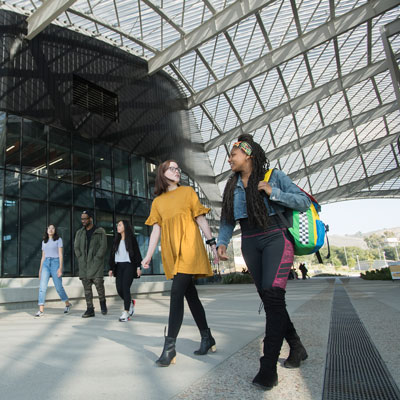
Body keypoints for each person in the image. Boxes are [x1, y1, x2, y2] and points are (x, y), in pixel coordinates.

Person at [217, 134, 310, 390]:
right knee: (271, 300)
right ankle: (297, 347)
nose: (229, 159)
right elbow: (227, 220)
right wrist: (221, 242)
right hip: (249, 241)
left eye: (233, 154)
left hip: (275, 238)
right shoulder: (231, 186)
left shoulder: (274, 177)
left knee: (272, 294)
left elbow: (303, 201)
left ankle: (268, 366)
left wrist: (273, 192)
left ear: (248, 155)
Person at [141, 160, 219, 367]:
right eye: (172, 168)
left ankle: (169, 348)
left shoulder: (188, 192)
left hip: (190, 249)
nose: (177, 171)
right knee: (190, 295)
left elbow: (201, 219)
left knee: (176, 293)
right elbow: (156, 230)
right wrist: (148, 255)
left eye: (178, 169)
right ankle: (207, 337)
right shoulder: (157, 202)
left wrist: (212, 244)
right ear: (162, 173)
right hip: (172, 253)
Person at [74, 210, 108, 318]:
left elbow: (103, 247)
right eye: (82, 219)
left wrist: (98, 258)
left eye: (85, 218)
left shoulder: (100, 231)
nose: (83, 221)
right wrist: (80, 257)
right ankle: (90, 309)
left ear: (90, 219)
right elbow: (76, 247)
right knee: (87, 289)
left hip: (96, 264)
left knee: (99, 286)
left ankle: (102, 303)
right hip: (84, 264)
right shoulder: (79, 232)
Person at [108, 220, 142, 322]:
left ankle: (126, 312)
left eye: (119, 225)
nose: (118, 227)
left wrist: (138, 267)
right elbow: (112, 255)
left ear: (125, 227)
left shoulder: (131, 239)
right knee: (119, 289)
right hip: (119, 267)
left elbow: (137, 253)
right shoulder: (116, 240)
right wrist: (111, 268)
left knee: (125, 287)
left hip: (129, 266)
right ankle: (130, 303)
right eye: (117, 225)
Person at [35, 224, 72, 317]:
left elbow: (60, 255)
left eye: (53, 228)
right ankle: (41, 310)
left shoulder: (58, 240)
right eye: (49, 228)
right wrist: (40, 270)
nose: (51, 230)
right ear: (47, 230)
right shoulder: (44, 241)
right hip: (46, 264)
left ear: (55, 230)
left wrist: (60, 268)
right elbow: (43, 257)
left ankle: (67, 304)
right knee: (42, 287)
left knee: (58, 287)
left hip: (55, 263)